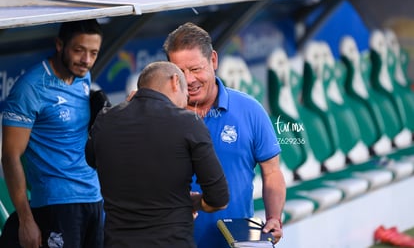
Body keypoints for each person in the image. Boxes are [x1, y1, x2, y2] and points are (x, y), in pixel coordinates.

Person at [163, 22, 286, 248]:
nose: (189, 80)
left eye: (196, 69)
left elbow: (272, 172)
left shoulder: (250, 109)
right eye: (180, 71)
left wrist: (274, 218)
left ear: (214, 61)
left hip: (234, 242)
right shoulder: (160, 116)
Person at [86, 61, 229, 248]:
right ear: (175, 82)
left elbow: (91, 159)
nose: (185, 102)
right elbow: (219, 199)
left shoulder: (105, 120)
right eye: (185, 95)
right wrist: (193, 201)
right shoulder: (188, 123)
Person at [1, 19, 104, 248]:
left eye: (93, 53)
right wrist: (25, 220)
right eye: (79, 50)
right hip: (56, 203)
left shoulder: (83, 76)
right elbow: (10, 156)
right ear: (60, 45)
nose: (86, 60)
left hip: (94, 197)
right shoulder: (30, 88)